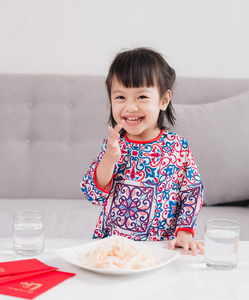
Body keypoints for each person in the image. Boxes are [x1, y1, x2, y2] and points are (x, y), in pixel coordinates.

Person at [80, 48, 204, 255]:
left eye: (142, 97)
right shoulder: (113, 146)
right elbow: (93, 194)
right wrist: (109, 160)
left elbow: (191, 193)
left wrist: (184, 233)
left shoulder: (177, 147)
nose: (130, 107)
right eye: (120, 97)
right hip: (114, 246)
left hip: (161, 247)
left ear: (164, 100)